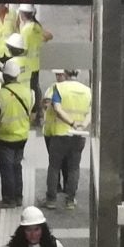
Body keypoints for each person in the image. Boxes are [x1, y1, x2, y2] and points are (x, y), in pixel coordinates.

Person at [0, 65, 34, 209]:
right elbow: (34, 113)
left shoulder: (0, 96)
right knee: (16, 166)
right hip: (22, 137)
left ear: (4, 76)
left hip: (4, 139)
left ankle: (8, 199)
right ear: (17, 76)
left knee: (6, 169)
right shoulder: (28, 92)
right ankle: (18, 197)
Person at [40, 69, 91, 207]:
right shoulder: (87, 91)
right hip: (79, 136)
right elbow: (91, 111)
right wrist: (82, 126)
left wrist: (71, 123)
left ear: (66, 74)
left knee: (54, 167)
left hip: (61, 134)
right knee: (74, 168)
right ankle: (70, 201)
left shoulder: (59, 88)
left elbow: (56, 107)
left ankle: (51, 200)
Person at [14, 8, 52, 99]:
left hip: (27, 65)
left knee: (28, 87)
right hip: (36, 63)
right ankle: (37, 107)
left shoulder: (26, 30)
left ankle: (33, 107)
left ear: (22, 15)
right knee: (35, 86)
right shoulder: (36, 26)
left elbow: (24, 49)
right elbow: (49, 36)